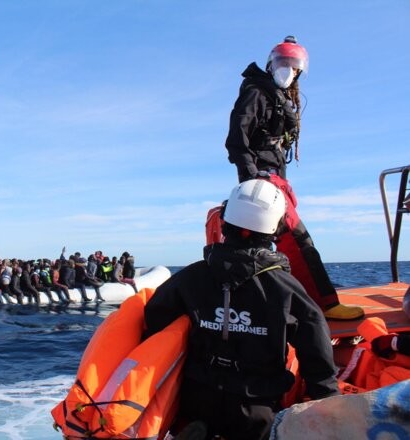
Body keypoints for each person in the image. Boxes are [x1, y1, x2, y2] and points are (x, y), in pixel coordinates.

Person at [144, 180, 340, 440]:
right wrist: (326, 397)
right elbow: (315, 343)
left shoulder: (189, 278)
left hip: (196, 397)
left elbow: (155, 319)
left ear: (225, 221)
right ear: (275, 229)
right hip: (257, 404)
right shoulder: (286, 288)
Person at [224, 35, 363, 320]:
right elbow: (237, 139)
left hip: (273, 177)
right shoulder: (256, 93)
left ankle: (251, 301)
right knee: (299, 239)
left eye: (293, 65)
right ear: (271, 64)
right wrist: (253, 182)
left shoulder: (279, 97)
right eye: (282, 63)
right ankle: (326, 303)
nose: (288, 69)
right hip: (263, 181)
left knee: (259, 242)